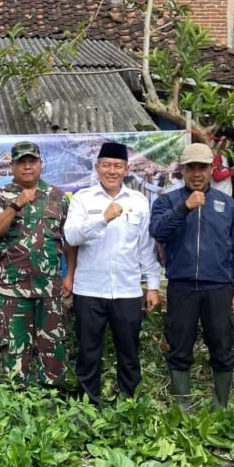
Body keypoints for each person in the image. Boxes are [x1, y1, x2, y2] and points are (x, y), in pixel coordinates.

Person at [150, 143, 234, 411]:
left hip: (218, 287)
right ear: (181, 170)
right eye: (190, 167)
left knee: (222, 345)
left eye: (202, 168)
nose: (196, 173)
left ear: (211, 169)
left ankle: (221, 405)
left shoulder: (227, 205)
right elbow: (158, 232)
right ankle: (183, 406)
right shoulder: (167, 201)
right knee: (179, 345)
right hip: (181, 286)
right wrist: (185, 207)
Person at [65, 142, 161, 405]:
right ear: (97, 168)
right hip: (89, 290)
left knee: (129, 351)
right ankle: (88, 403)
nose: (112, 171)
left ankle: (129, 403)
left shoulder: (139, 202)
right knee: (88, 351)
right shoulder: (83, 199)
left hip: (127, 291)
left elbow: (145, 248)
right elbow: (71, 236)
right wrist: (102, 218)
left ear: (126, 169)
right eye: (106, 165)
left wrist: (152, 286)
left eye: (117, 166)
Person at [0, 140, 76, 386]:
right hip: (12, 290)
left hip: (49, 289)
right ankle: (16, 400)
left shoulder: (58, 197)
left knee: (53, 346)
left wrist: (69, 276)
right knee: (14, 347)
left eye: (31, 161)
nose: (27, 167)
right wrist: (16, 205)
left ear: (40, 164)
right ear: (12, 166)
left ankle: (52, 400)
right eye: (21, 162)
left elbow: (69, 240)